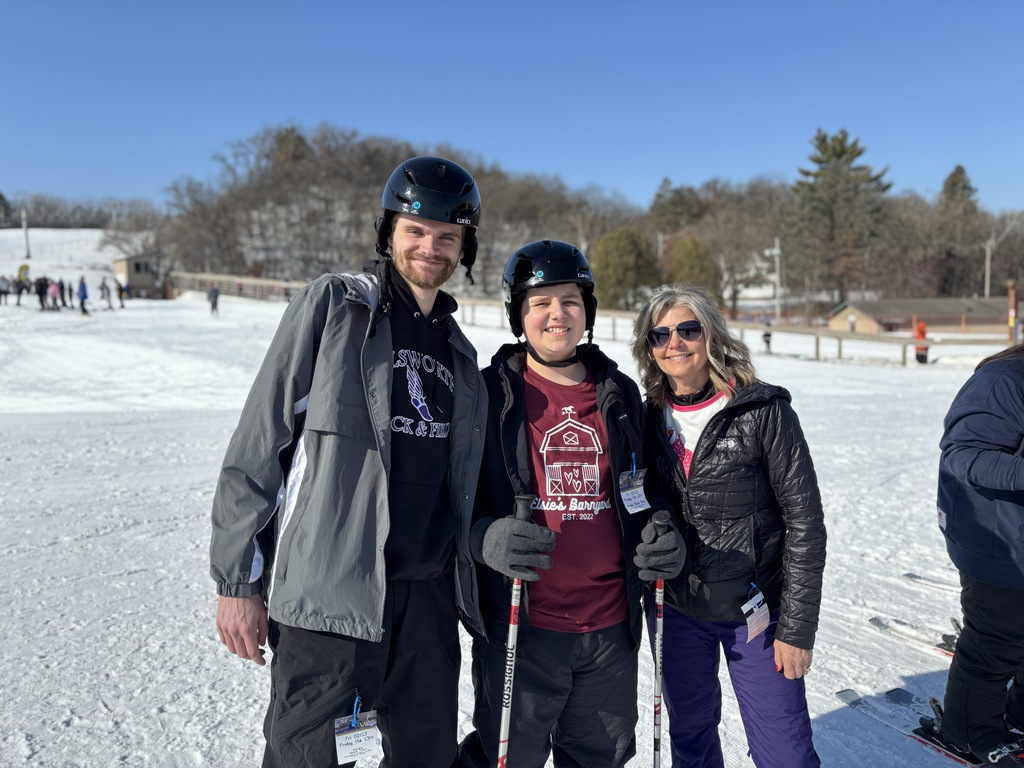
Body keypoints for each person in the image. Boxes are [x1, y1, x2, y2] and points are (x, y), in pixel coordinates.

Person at [210, 156, 487, 768]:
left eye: (448, 237)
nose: (430, 247)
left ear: (465, 248)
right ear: (388, 232)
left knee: (426, 756)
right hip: (333, 597)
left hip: (427, 604)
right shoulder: (335, 308)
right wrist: (238, 584)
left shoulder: (461, 354)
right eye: (416, 230)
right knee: (310, 758)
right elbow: (262, 443)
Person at [458, 240, 684, 768]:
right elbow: (452, 499)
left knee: (598, 757)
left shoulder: (622, 394)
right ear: (519, 314)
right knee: (507, 757)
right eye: (540, 302)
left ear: (588, 312)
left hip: (608, 628)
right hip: (522, 625)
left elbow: (644, 489)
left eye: (570, 301)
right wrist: (483, 537)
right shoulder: (488, 393)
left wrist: (660, 528)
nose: (556, 314)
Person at [630, 284, 827, 768]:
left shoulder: (764, 412)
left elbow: (805, 521)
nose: (674, 343)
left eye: (688, 330)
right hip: (675, 610)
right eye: (660, 335)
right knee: (692, 739)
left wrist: (798, 629)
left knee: (785, 751)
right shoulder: (647, 417)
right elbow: (636, 495)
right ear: (649, 348)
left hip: (754, 613)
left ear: (711, 334)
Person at [923, 344, 1024, 766]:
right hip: (996, 540)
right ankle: (967, 728)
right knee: (997, 640)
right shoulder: (1004, 381)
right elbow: (966, 453)